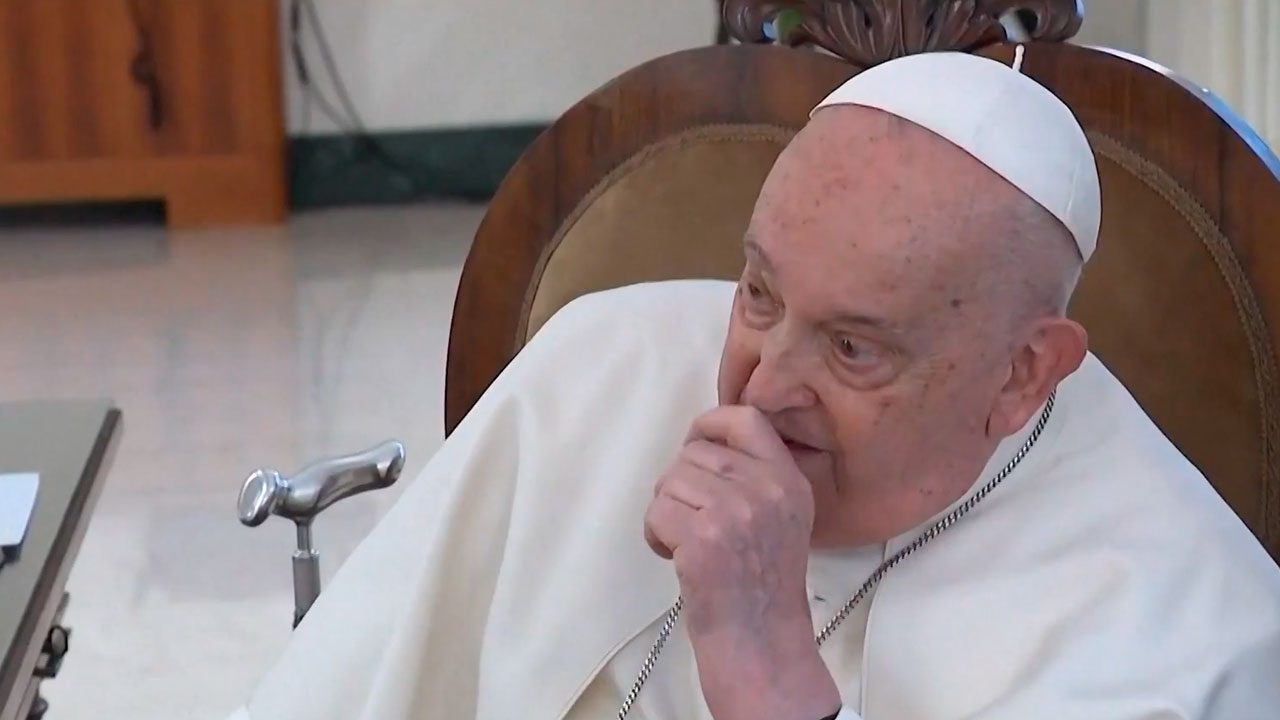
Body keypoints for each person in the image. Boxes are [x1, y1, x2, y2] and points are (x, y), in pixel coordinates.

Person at [228, 50, 1280, 720]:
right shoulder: (599, 369)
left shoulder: (1182, 633)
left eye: (854, 348)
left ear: (1022, 373)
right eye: (759, 294)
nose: (762, 387)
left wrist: (767, 670)